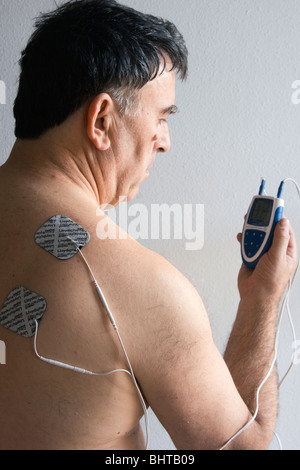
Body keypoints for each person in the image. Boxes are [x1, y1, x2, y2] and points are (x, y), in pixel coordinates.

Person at [0, 0, 297, 450]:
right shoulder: (143, 287)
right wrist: (263, 298)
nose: (165, 142)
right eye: (160, 117)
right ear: (102, 121)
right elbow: (243, 448)